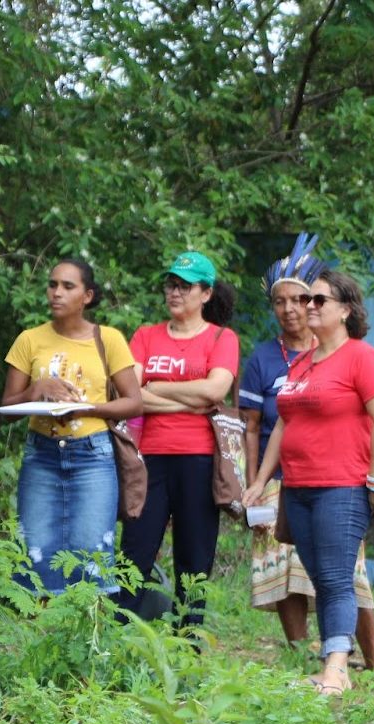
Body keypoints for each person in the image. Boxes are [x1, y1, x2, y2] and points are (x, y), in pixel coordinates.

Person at [246, 268, 374, 696]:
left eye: (318, 300)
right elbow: (281, 426)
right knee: (320, 577)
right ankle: (336, 664)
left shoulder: (361, 357)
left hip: (341, 485)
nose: (308, 306)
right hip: (298, 487)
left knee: (335, 577)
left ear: (345, 310)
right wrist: (260, 481)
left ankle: (336, 667)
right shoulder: (301, 362)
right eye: (306, 300)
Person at [112, 252, 239, 628]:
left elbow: (216, 389)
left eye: (185, 286)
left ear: (206, 293)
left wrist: (157, 389)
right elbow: (131, 391)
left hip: (198, 459)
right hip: (148, 458)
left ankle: (188, 644)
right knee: (135, 550)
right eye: (171, 284)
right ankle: (119, 636)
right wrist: (187, 398)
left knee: (194, 557)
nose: (175, 292)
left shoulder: (221, 337)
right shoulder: (146, 335)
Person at [0, 258, 142, 595]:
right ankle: (40, 639)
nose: (57, 293)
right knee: (36, 551)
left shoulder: (107, 339)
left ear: (87, 296)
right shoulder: (29, 340)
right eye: (52, 285)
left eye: (68, 286)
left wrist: (86, 407)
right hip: (42, 455)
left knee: (91, 550)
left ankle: (88, 641)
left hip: (93, 454)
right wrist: (37, 390)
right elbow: (6, 408)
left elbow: (134, 402)